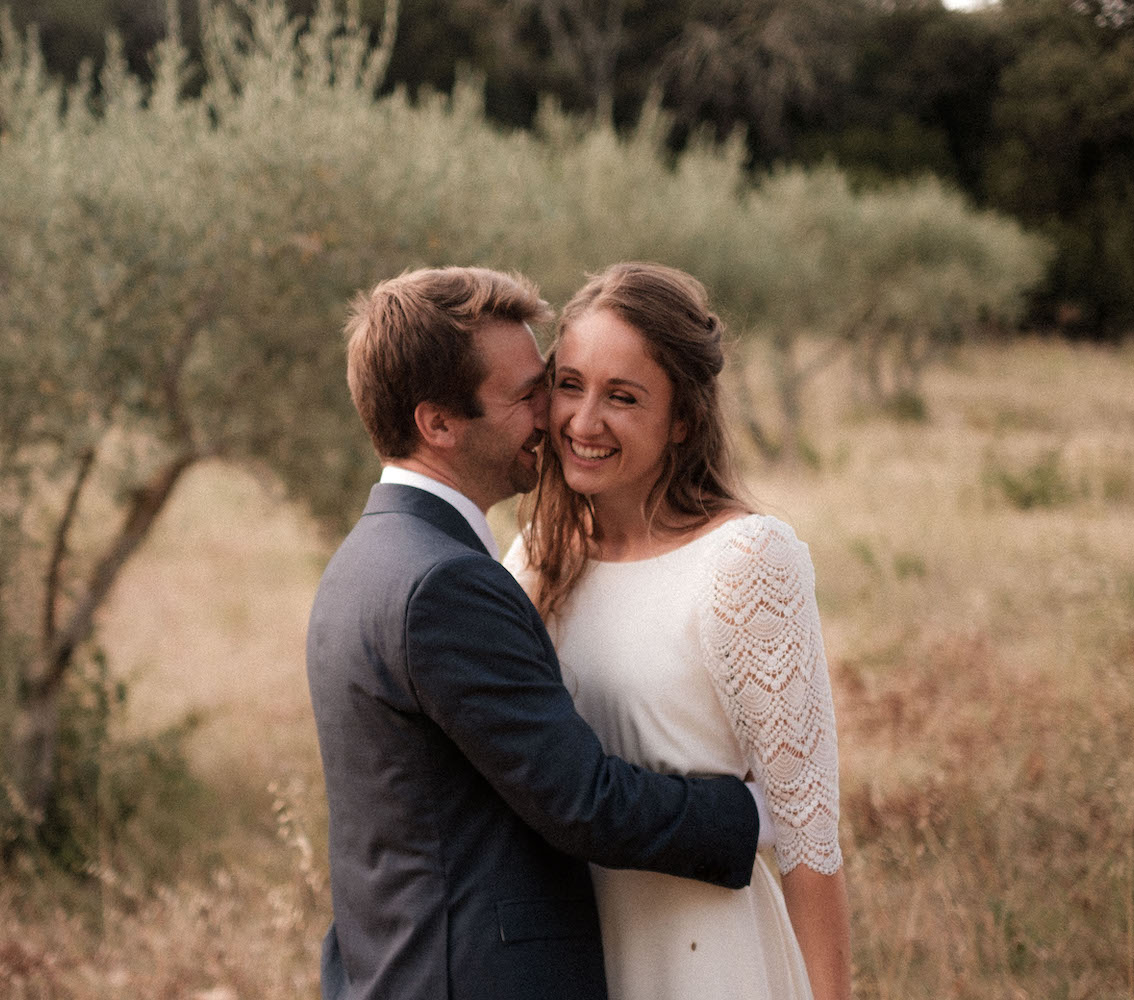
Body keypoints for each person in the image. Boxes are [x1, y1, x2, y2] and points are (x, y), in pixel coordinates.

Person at [306, 266, 767, 1000]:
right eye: (527, 394)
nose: (552, 414)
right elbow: (581, 801)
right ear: (439, 424)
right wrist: (752, 812)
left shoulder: (365, 559)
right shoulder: (444, 584)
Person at [506, 261, 852, 1000]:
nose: (583, 422)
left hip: (709, 960)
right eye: (569, 384)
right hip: (573, 958)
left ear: (683, 420)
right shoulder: (538, 555)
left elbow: (808, 832)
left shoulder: (748, 560)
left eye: (623, 398)